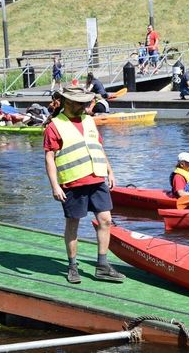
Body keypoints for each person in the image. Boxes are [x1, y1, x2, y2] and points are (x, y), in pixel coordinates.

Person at [43, 86, 124, 284]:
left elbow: (98, 147)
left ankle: (102, 266)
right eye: (81, 103)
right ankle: (72, 266)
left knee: (105, 220)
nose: (85, 106)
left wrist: (110, 171)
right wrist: (55, 186)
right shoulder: (54, 126)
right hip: (73, 183)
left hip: (97, 179)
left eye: (86, 102)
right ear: (67, 102)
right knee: (73, 224)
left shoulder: (89, 120)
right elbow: (49, 158)